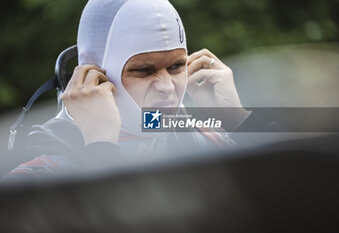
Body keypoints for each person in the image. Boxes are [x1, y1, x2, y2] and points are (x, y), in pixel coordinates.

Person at [4, 0, 274, 179]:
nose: (168, 88)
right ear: (95, 77)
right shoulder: (39, 175)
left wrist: (239, 120)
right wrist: (101, 147)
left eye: (177, 66)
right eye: (144, 71)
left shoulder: (205, 138)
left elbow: (300, 200)